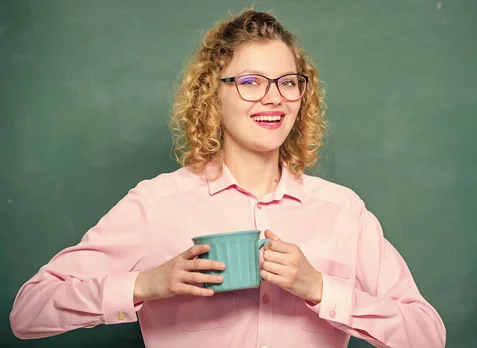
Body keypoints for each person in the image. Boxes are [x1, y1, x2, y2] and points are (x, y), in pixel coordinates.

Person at [10, 9, 446, 348]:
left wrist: (320, 289)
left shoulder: (342, 212)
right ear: (211, 94)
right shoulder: (155, 204)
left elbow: (428, 335)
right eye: (251, 81)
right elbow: (28, 313)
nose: (273, 97)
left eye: (288, 82)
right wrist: (147, 284)